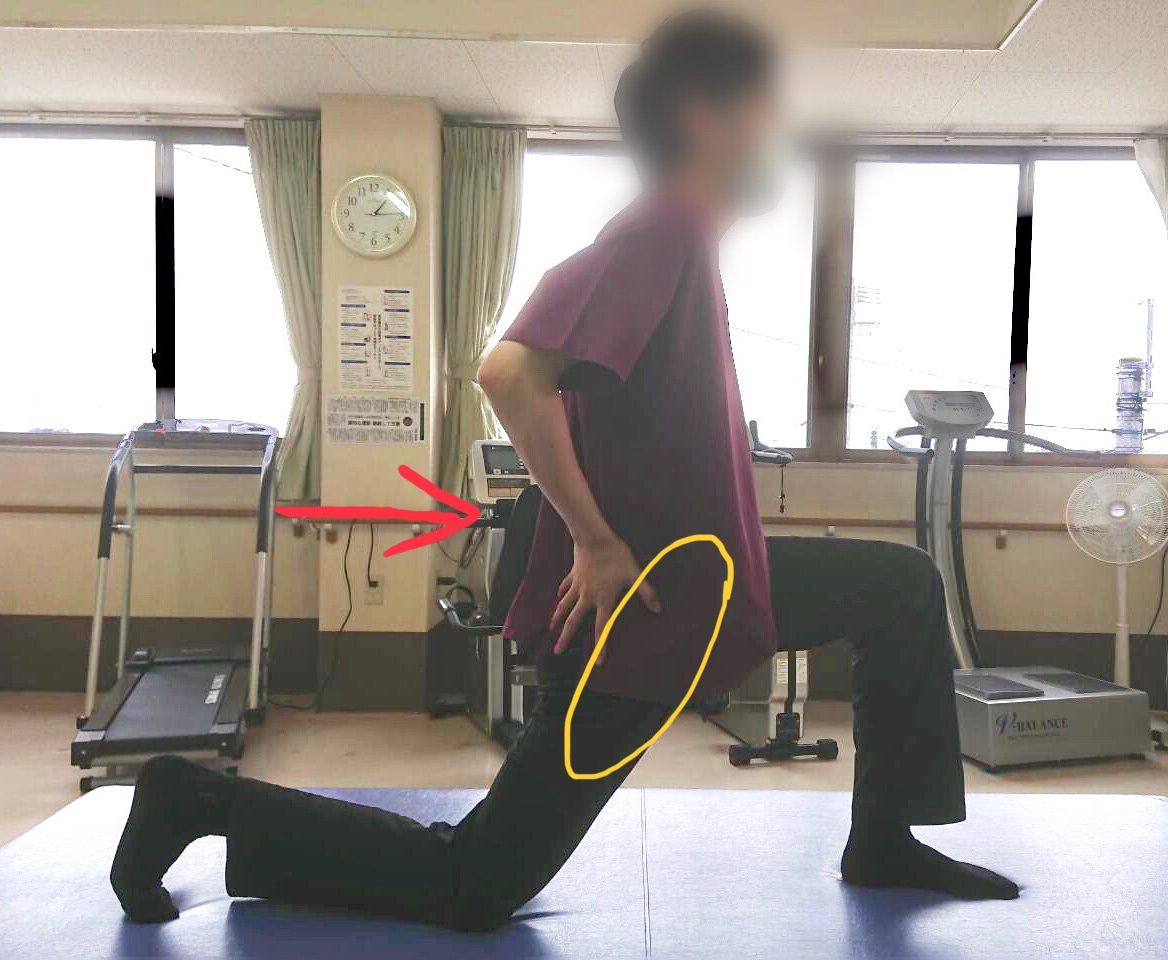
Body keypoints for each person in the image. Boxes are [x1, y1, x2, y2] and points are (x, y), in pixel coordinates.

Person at [109, 11, 1018, 930]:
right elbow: (508, 372)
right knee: (475, 883)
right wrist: (593, 539)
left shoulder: (684, 239)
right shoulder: (661, 229)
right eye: (765, 107)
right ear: (704, 116)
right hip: (640, 610)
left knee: (901, 586)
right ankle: (195, 800)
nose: (777, 128)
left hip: (704, 583)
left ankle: (885, 839)